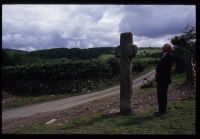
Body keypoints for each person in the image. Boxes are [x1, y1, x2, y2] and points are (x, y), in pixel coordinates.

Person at [155, 43, 173, 116]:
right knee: (160, 95)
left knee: (162, 95)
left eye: (164, 47)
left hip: (164, 78)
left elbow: (166, 68)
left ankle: (162, 111)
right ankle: (160, 110)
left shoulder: (169, 56)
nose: (162, 48)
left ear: (166, 48)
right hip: (160, 78)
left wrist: (159, 73)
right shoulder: (164, 55)